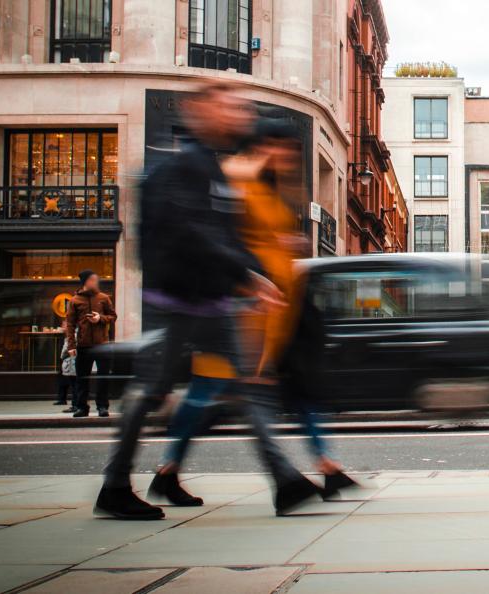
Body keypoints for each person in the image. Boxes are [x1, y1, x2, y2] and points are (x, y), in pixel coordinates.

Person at [95, 82, 320, 521]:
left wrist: (253, 276)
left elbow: (227, 236)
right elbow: (193, 233)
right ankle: (116, 484)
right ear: (201, 110)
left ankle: (286, 481)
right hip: (178, 302)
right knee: (152, 393)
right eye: (230, 106)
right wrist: (249, 277)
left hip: (213, 302)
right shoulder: (187, 167)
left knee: (250, 389)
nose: (240, 114)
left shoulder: (214, 169)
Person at [153, 118, 358, 500]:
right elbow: (222, 239)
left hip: (275, 310)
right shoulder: (238, 178)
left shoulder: (271, 187)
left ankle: (170, 471)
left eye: (291, 150)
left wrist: (287, 244)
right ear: (262, 144)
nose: (286, 155)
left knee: (235, 393)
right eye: (278, 146)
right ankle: (288, 479)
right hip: (240, 308)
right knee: (214, 393)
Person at [65, 270, 116, 418]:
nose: (96, 282)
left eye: (96, 279)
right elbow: (70, 324)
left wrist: (100, 318)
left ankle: (102, 407)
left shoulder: (104, 298)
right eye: (93, 279)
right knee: (82, 379)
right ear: (85, 282)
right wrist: (71, 346)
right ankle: (82, 407)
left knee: (103, 377)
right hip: (83, 345)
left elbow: (113, 316)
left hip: (103, 345)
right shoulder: (75, 301)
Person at [56, 328, 76, 411]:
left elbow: (66, 351)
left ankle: (75, 405)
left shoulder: (72, 336)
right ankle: (74, 404)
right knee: (73, 384)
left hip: (71, 363)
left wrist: (63, 356)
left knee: (75, 385)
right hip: (70, 363)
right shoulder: (69, 337)